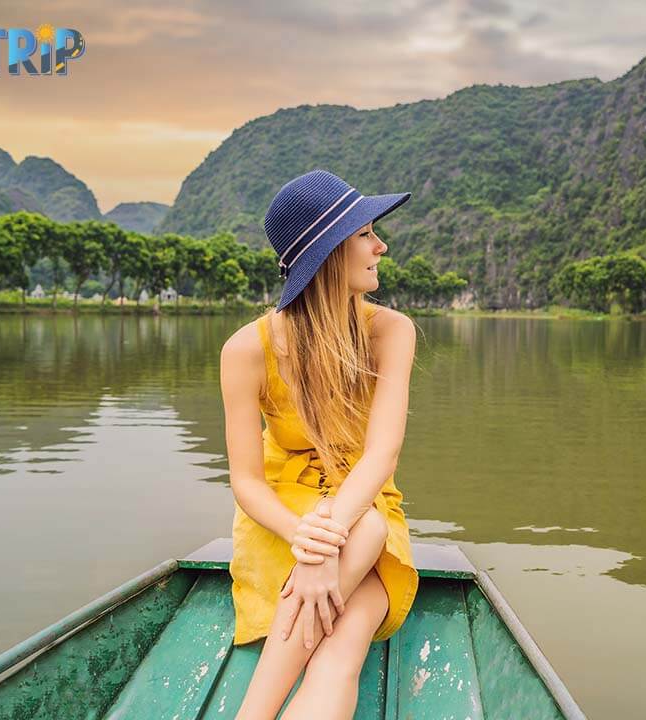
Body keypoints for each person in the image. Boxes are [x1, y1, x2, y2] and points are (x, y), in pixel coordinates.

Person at [219, 169, 419, 719]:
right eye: (365, 234)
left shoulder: (391, 332)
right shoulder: (246, 351)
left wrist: (320, 552)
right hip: (285, 514)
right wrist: (306, 542)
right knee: (365, 544)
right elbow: (246, 482)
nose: (381, 245)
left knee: (344, 642)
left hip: (364, 498)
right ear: (331, 253)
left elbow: (381, 456)